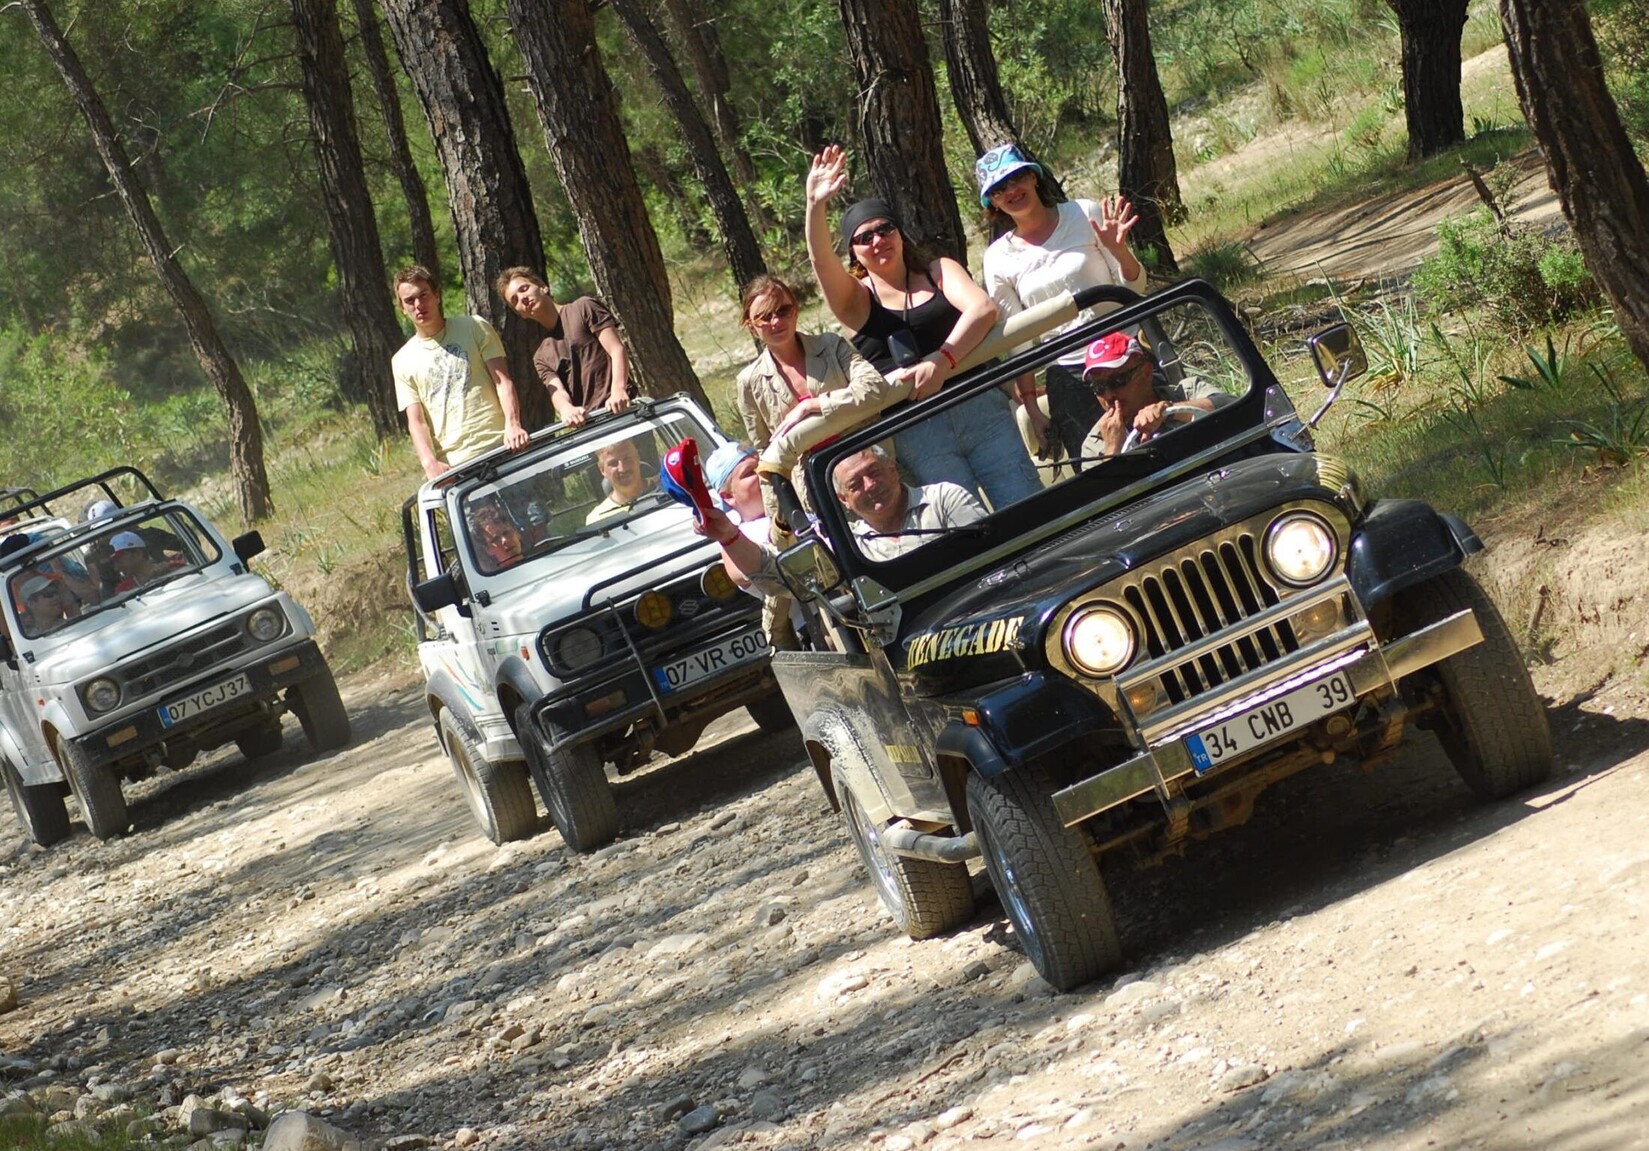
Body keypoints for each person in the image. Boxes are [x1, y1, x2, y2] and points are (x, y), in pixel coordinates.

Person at [803, 147, 1040, 510]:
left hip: (980, 407)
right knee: (965, 527)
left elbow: (982, 309)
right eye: (864, 238)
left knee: (1027, 506)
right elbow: (821, 262)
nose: (877, 240)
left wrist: (942, 360)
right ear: (853, 253)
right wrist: (814, 205)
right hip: (918, 430)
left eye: (885, 229)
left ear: (900, 233)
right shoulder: (856, 301)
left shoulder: (939, 270)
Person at [977, 143, 1146, 472]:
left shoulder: (1084, 213)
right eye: (999, 189)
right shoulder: (996, 257)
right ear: (992, 203)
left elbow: (1134, 289)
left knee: (1157, 439)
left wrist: (1120, 251)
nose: (1012, 190)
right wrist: (1032, 407)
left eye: (1017, 177)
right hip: (1069, 376)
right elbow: (1017, 339)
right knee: (1099, 472)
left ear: (1034, 177)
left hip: (1125, 355)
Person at [734, 274, 903, 512]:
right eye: (764, 317)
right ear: (751, 326)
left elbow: (874, 387)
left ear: (795, 311)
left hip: (872, 471)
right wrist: (780, 522)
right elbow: (766, 456)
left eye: (783, 310)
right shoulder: (748, 382)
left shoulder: (831, 345)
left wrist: (814, 405)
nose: (776, 321)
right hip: (819, 493)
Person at [391, 264, 530, 480]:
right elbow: (416, 421)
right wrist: (429, 463)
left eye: (424, 295)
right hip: (456, 467)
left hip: (503, 447)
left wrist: (513, 425)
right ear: (401, 307)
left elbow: (503, 381)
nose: (418, 305)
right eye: (409, 300)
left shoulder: (474, 327)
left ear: (437, 295)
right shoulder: (401, 361)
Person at [496, 267, 631, 428]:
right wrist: (565, 409)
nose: (522, 298)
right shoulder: (541, 356)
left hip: (621, 410)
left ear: (543, 287)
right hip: (590, 425)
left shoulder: (583, 307)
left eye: (524, 289)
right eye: (515, 300)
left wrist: (618, 389)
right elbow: (557, 391)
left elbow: (616, 350)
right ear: (521, 314)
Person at [1076, 333, 1223, 460]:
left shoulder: (1187, 391)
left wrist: (1169, 412)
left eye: (1117, 381)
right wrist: (1113, 449)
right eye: (1099, 387)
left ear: (1146, 373)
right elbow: (1108, 491)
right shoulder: (1094, 445)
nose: (1108, 395)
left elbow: (1234, 407)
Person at [832, 445, 986, 561]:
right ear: (844, 499)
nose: (870, 485)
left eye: (874, 472)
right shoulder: (849, 545)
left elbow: (986, 552)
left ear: (893, 469)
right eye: (855, 484)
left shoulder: (943, 498)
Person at [584, 439, 657, 523]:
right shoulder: (597, 518)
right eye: (613, 463)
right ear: (602, 470)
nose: (623, 468)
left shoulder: (668, 488)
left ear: (638, 458)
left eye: (627, 459)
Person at [109, 530, 183, 594]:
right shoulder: (123, 590)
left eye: (119, 560)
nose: (116, 568)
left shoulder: (174, 569)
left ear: (137, 554)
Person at [469, 503, 525, 573]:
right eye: (496, 539)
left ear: (517, 533)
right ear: (488, 549)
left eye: (506, 533)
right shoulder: (492, 581)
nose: (505, 540)